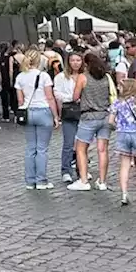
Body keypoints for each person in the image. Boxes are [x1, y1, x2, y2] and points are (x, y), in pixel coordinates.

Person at [67, 53, 114, 191]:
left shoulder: (83, 77)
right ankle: (102, 181)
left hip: (88, 116)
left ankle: (83, 180)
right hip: (105, 115)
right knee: (103, 150)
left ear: (86, 64)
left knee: (81, 149)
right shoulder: (106, 77)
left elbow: (75, 97)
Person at [15, 50, 58, 190]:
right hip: (43, 111)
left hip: (28, 112)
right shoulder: (44, 76)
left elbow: (20, 100)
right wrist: (56, 116)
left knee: (30, 148)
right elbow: (50, 97)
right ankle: (41, 180)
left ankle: (30, 180)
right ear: (39, 61)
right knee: (42, 149)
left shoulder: (20, 77)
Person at [111, 79, 136, 205]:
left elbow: (110, 121)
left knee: (124, 165)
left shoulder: (117, 103)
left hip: (122, 135)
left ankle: (124, 193)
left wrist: (118, 126)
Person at [54, 53, 84, 185]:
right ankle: (66, 170)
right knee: (68, 142)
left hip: (84, 110)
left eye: (78, 60)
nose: (75, 63)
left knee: (82, 143)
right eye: (73, 60)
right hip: (69, 110)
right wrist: (71, 98)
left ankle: (81, 169)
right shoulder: (61, 77)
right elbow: (57, 93)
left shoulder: (85, 76)